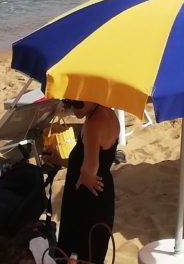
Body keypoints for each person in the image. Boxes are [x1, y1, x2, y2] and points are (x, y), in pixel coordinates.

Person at [55, 99, 118, 264]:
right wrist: (60, 160)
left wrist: (83, 175)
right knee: (94, 251)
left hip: (86, 201)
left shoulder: (93, 125)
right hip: (102, 193)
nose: (72, 109)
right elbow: (94, 160)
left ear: (92, 97)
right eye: (67, 103)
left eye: (77, 103)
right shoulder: (110, 114)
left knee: (77, 253)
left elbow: (90, 168)